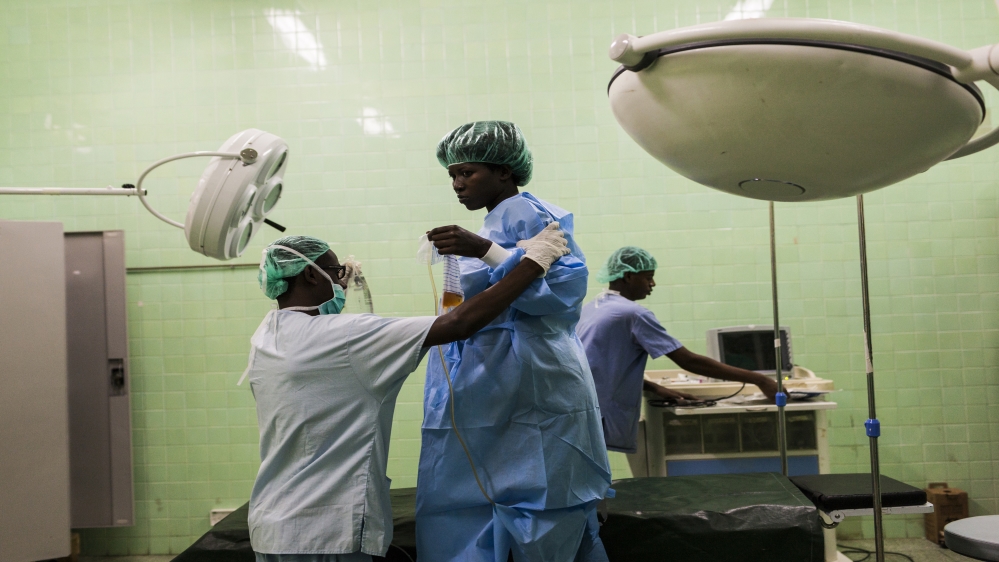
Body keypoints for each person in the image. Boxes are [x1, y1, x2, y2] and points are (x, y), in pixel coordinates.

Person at [243, 230, 570, 562]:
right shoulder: (345, 336)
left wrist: (336, 282)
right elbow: (458, 323)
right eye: (336, 272)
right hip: (324, 533)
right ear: (312, 275)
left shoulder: (266, 335)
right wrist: (533, 262)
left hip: (272, 525)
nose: (342, 282)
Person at [416, 121, 612, 562]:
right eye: (452, 175)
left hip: (532, 377)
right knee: (489, 498)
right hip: (500, 381)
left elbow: (562, 291)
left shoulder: (527, 212)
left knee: (540, 507)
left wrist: (484, 250)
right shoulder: (497, 219)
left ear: (504, 171)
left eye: (467, 172)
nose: (457, 184)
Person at [576, 246, 779, 477]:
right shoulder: (633, 314)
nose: (652, 284)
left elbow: (601, 364)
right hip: (599, 409)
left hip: (580, 405)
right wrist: (759, 380)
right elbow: (689, 361)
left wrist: (655, 388)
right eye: (648, 277)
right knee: (590, 480)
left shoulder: (593, 307)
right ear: (629, 276)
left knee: (584, 475)